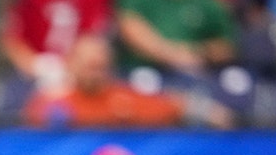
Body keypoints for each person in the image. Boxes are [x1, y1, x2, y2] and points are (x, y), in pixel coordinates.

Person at [23, 34, 233, 128]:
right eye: (89, 66)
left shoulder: (126, 97)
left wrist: (208, 111)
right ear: (71, 65)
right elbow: (26, 133)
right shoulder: (53, 101)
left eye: (100, 66)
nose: (94, 73)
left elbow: (173, 105)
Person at [114, 0, 238, 75]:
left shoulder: (206, 1)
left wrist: (198, 52)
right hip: (141, 71)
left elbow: (226, 46)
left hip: (192, 74)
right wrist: (173, 55)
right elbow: (130, 29)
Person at [0, 0, 113, 86]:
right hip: (33, 73)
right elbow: (11, 37)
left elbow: (96, 39)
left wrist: (74, 68)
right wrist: (36, 66)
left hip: (80, 75)